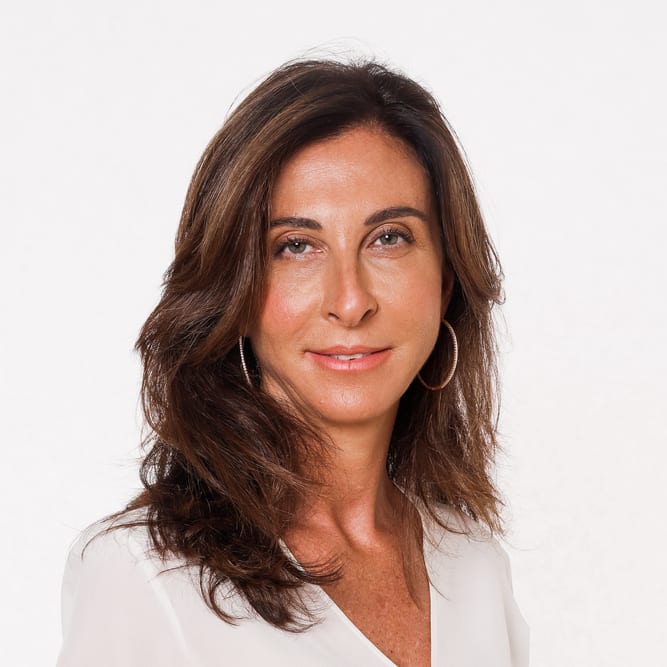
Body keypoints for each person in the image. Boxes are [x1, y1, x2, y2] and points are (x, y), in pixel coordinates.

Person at [57, 58, 529, 666]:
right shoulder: (143, 576)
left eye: (389, 237)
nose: (350, 302)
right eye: (297, 246)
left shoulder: (473, 561)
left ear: (445, 280)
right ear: (235, 292)